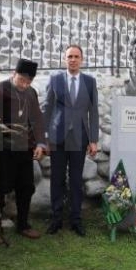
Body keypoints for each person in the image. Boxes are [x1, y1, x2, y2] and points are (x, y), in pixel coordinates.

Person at [0, 59, 47, 244]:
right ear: (14, 74)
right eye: (21, 79)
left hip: (24, 147)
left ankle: (23, 224)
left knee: (26, 187)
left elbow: (37, 120)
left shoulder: (31, 93)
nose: (24, 84)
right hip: (2, 148)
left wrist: (40, 143)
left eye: (28, 81)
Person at [43, 44, 99, 237]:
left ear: (81, 59)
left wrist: (93, 140)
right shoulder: (55, 79)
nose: (73, 60)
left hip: (80, 139)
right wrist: (44, 138)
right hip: (58, 138)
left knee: (76, 180)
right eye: (69, 57)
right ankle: (56, 219)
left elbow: (94, 112)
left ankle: (76, 220)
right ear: (65, 59)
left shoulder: (90, 82)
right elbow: (47, 109)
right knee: (57, 180)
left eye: (76, 56)